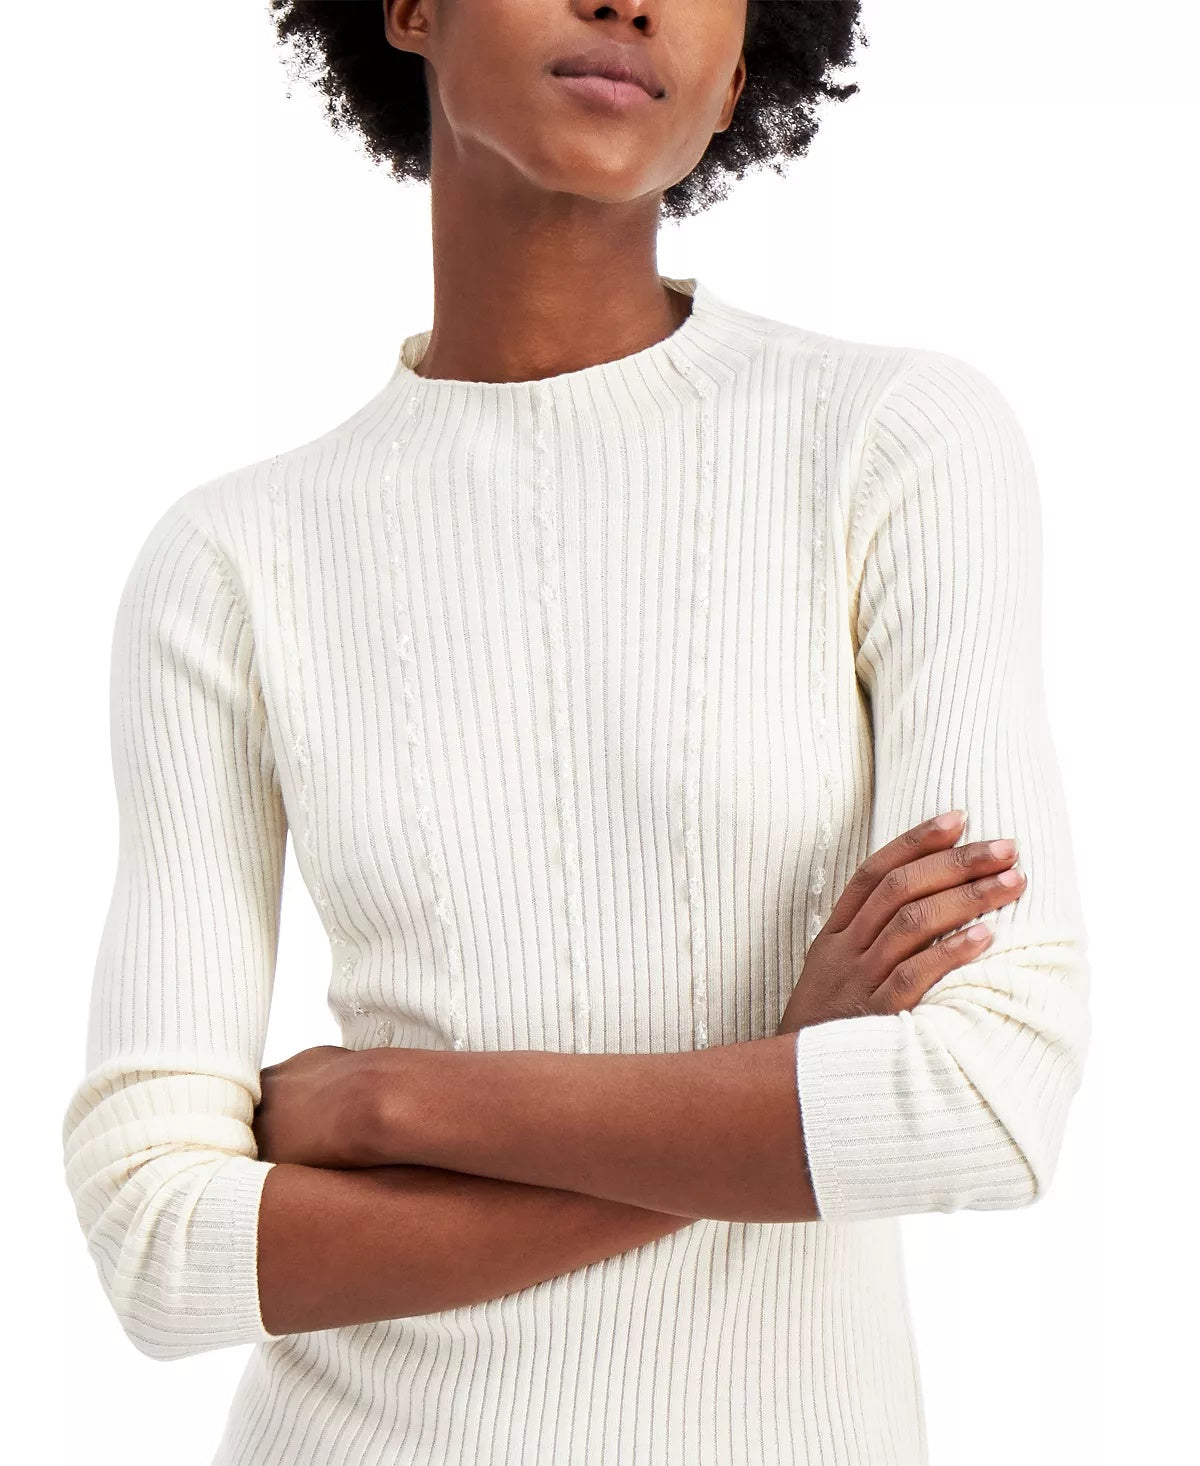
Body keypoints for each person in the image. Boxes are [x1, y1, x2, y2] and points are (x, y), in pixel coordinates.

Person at [61, 3, 1092, 1463]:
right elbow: (162, 1247)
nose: (629, 1)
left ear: (738, 70)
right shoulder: (233, 560)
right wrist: (783, 1085)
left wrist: (394, 1101)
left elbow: (983, 1104)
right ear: (409, 6)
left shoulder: (892, 443)